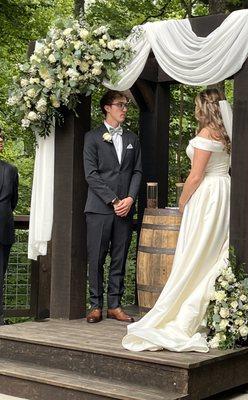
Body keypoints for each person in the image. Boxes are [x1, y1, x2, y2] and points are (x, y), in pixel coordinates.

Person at [122, 88, 231, 352]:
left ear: (203, 107)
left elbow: (195, 176)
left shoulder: (207, 134)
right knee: (211, 251)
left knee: (196, 252)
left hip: (207, 196)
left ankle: (183, 313)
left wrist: (182, 202)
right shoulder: (226, 134)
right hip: (224, 190)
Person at [83, 90, 142, 324]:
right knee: (96, 258)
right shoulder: (92, 137)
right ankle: (95, 305)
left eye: (126, 105)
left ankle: (114, 305)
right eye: (120, 104)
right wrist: (114, 200)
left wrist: (129, 199)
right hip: (99, 209)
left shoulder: (132, 139)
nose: (124, 109)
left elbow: (137, 171)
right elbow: (91, 175)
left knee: (119, 257)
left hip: (125, 209)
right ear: (107, 107)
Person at [0, 129, 18, 326]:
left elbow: (13, 201)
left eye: (1, 137)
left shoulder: (10, 170)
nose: (0, 140)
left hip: (3, 229)